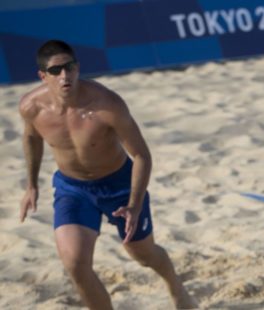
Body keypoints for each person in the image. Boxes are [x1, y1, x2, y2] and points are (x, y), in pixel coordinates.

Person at [19, 40, 197, 309]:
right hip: (73, 189)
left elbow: (141, 155)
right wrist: (31, 185)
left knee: (144, 255)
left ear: (78, 68)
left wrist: (135, 205)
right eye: (56, 71)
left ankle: (176, 287)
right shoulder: (31, 107)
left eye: (70, 67)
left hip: (120, 185)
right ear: (43, 76)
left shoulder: (107, 105)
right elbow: (31, 138)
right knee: (75, 264)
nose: (65, 76)